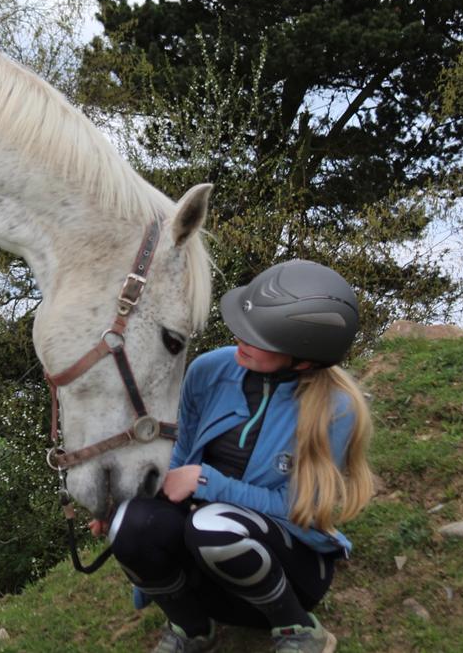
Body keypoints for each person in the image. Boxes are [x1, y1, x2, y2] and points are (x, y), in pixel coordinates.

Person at [97, 260, 374, 653]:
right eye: (243, 326)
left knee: (212, 526)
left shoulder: (336, 408)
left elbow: (304, 510)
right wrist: (124, 500)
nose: (240, 338)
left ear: (304, 359)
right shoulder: (208, 371)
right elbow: (180, 457)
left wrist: (208, 483)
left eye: (258, 337)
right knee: (127, 524)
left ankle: (298, 629)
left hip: (289, 570)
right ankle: (192, 627)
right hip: (208, 564)